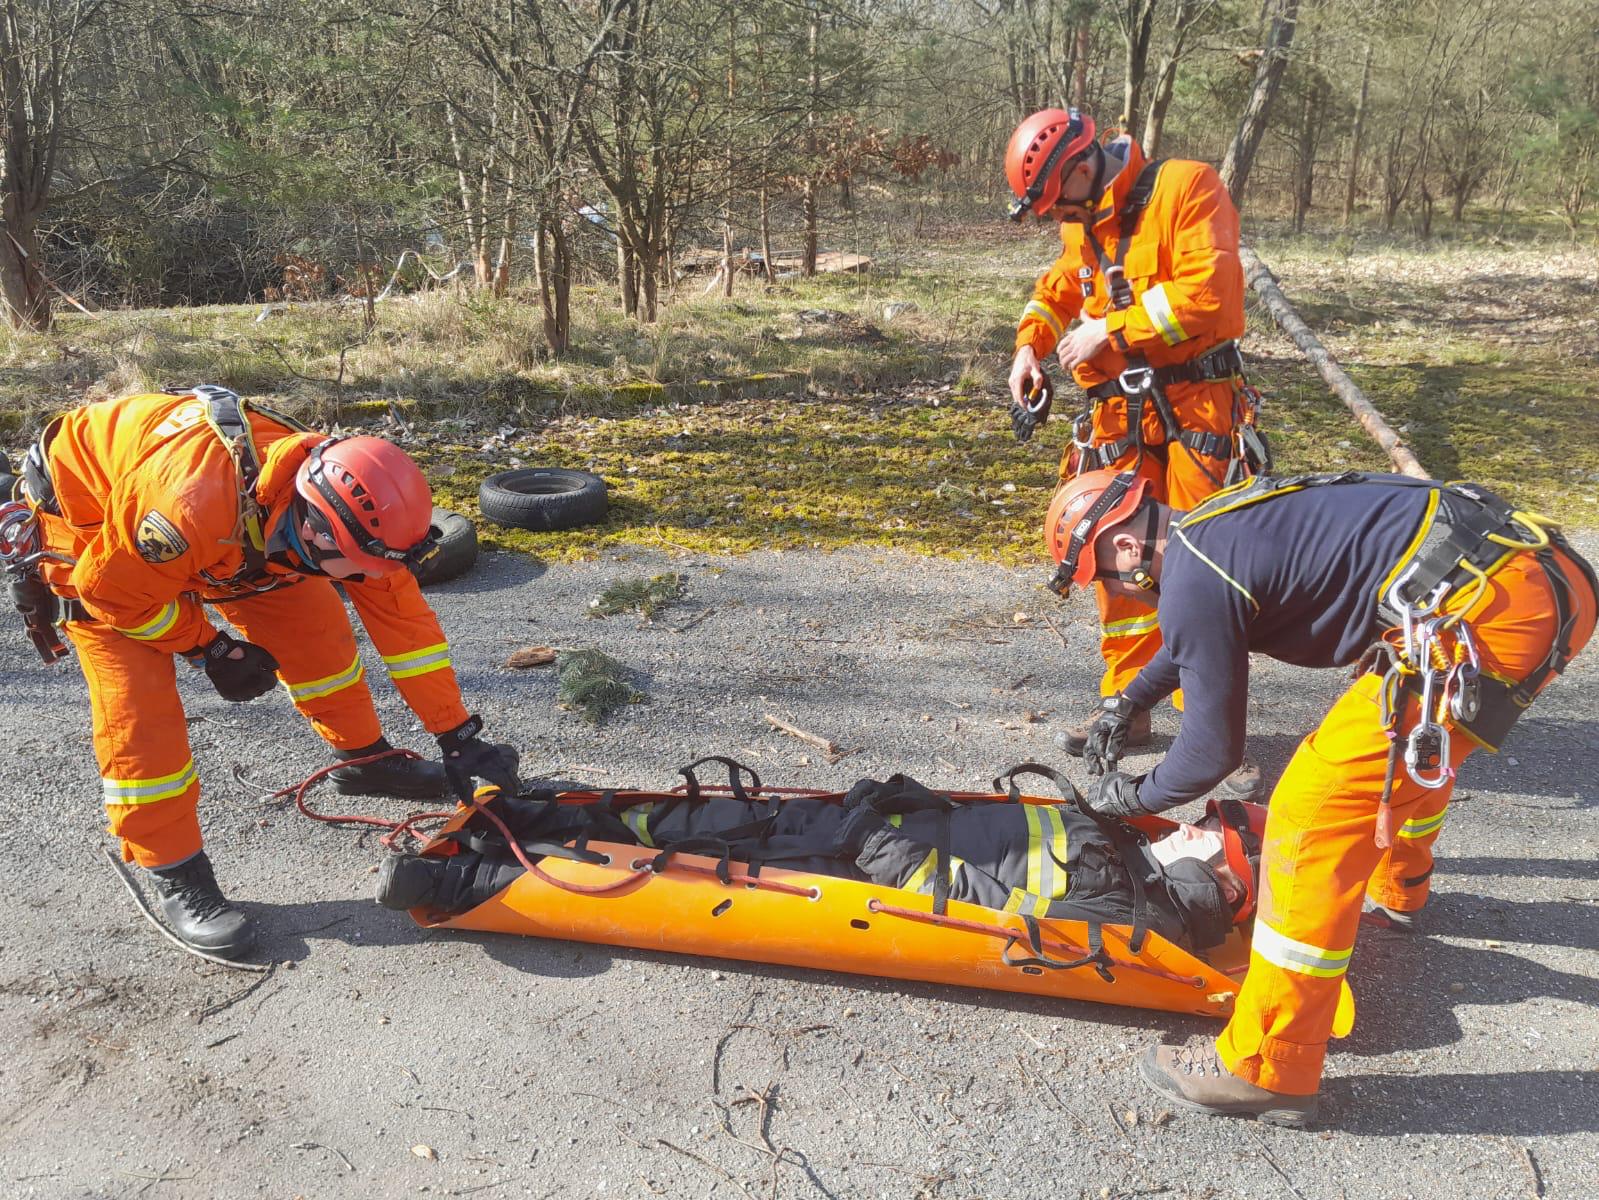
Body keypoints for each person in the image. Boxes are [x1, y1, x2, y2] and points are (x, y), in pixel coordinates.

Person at [1042, 466, 1597, 1125]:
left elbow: (1209, 755)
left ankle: (1264, 1068)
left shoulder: (1193, 573)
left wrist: (1131, 798)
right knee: (1402, 749)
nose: (1111, 590)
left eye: (1103, 577)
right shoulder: (1209, 531)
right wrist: (1127, 702)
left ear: (1126, 547)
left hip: (1487, 610)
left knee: (1310, 812)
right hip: (1529, 575)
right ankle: (1399, 893)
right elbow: (1194, 637)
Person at [7, 387, 522, 959]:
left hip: (226, 533)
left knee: (316, 634)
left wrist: (457, 734)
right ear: (314, 529)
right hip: (100, 539)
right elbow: (112, 596)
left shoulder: (363, 522)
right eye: (355, 567)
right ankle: (174, 870)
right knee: (139, 711)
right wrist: (208, 648)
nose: (366, 578)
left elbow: (408, 634)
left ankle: (366, 762)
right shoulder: (188, 505)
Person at [1003, 107, 1263, 768]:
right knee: (1114, 556)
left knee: (1204, 559)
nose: (1060, 219)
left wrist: (1110, 329)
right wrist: (1029, 348)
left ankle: (1211, 728)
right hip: (1118, 413)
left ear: (1080, 168)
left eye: (1059, 205)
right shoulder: (1084, 221)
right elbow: (1059, 287)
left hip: (1197, 405)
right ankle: (1127, 704)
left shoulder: (1187, 187)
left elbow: (1210, 292)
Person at [375, 770, 1265, 959]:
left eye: (1208, 834)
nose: (1192, 826)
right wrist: (902, 798)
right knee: (699, 820)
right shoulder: (1125, 843)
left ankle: (457, 883)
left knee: (675, 875)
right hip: (864, 831)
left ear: (1220, 876)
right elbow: (985, 827)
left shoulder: (1131, 914)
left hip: (860, 873)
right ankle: (530, 817)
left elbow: (978, 909)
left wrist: (875, 836)